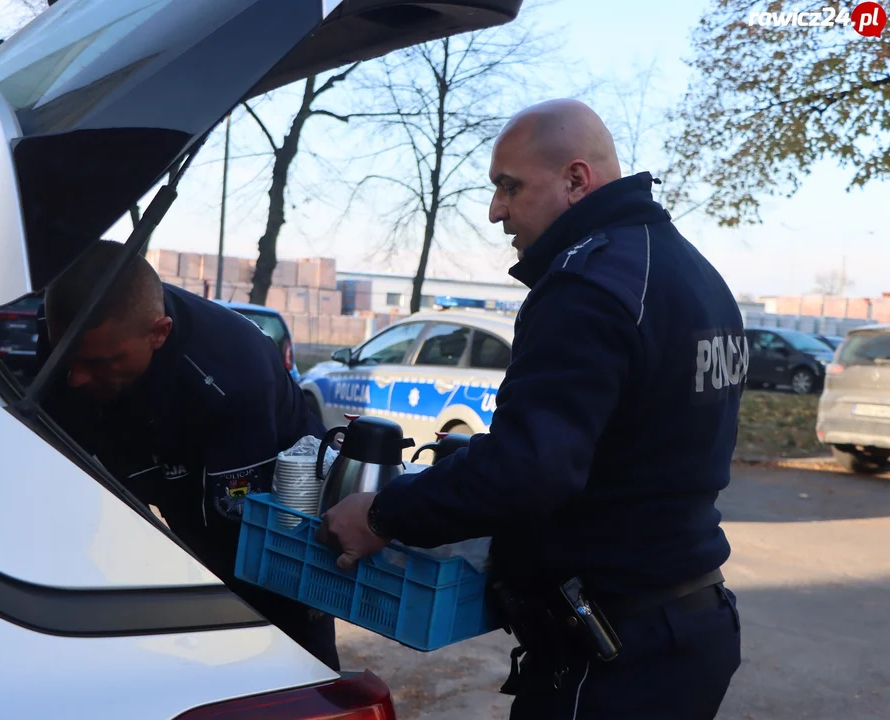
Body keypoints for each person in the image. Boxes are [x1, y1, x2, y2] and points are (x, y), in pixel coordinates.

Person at [319, 99, 744, 718]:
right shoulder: (691, 273)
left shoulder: (587, 286)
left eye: (508, 187)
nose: (496, 211)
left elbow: (530, 469)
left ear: (575, 180)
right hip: (686, 627)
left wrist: (383, 513)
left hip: (616, 653)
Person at [36, 240, 339, 670]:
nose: (76, 377)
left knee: (280, 660)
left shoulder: (231, 376)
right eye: (65, 356)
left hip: (268, 523)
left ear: (158, 332)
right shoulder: (77, 332)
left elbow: (226, 542)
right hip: (165, 466)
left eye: (100, 362)